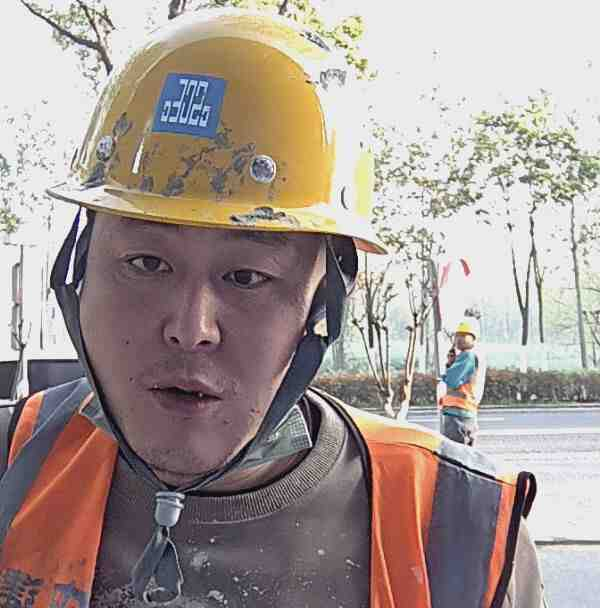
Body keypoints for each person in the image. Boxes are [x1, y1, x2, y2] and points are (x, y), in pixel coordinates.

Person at [0, 11, 545, 607]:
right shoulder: (12, 467)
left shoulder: (457, 531)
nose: (190, 329)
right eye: (145, 263)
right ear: (78, 272)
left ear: (323, 302)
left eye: (247, 277)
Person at [439, 317, 487, 446]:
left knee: (454, 454)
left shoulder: (467, 356)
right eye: (457, 335)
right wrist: (452, 364)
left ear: (473, 339)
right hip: (466, 414)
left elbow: (452, 381)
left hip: (458, 415)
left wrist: (447, 371)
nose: (459, 339)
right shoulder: (471, 356)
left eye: (464, 336)